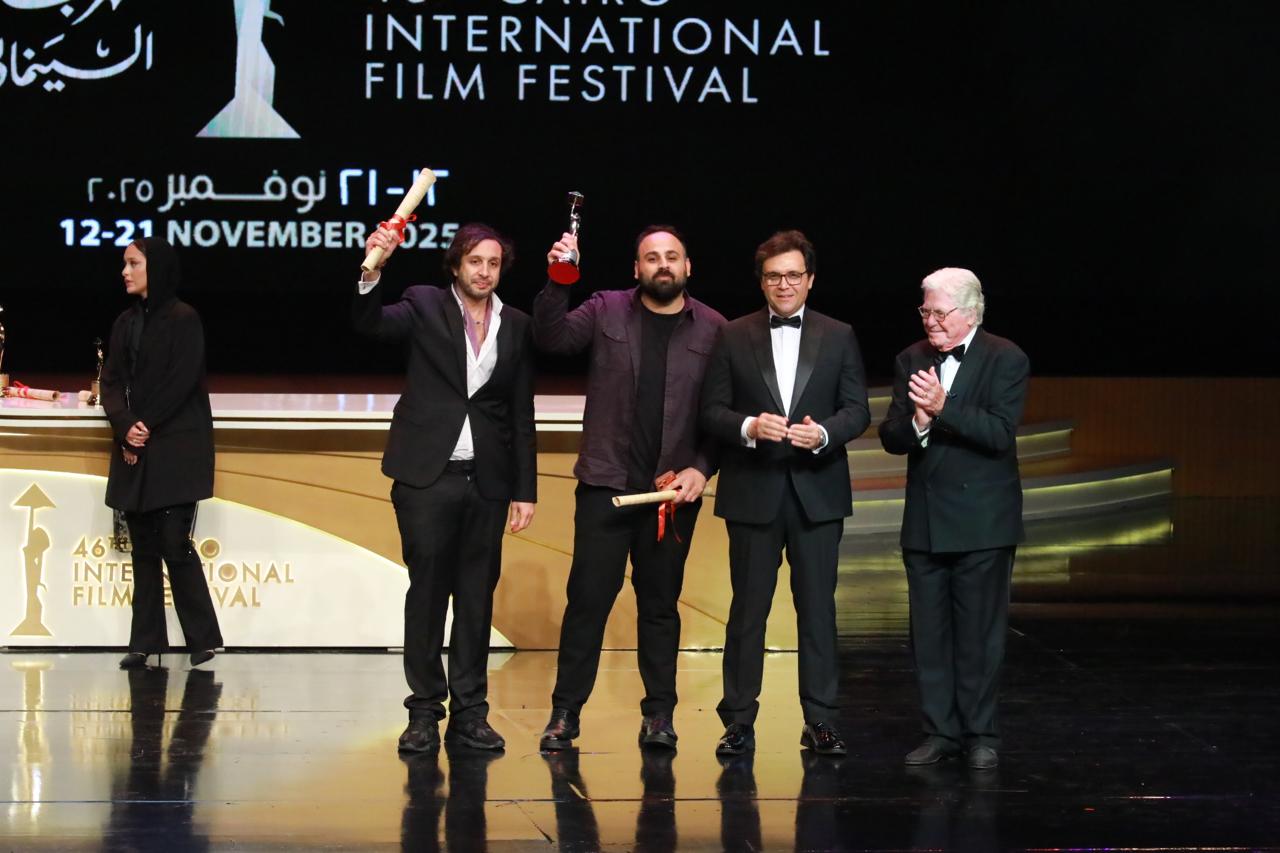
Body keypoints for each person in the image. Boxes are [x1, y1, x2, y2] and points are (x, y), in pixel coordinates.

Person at [534, 225, 726, 751]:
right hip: (606, 485)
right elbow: (551, 339)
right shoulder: (605, 309)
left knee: (660, 606)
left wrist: (702, 468)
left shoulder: (715, 329)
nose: (663, 265)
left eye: (672, 256)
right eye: (651, 257)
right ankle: (565, 714)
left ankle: (659, 716)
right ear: (636, 268)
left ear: (688, 267)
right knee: (587, 602)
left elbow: (722, 412)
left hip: (670, 494)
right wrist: (559, 278)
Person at [355, 222, 537, 754]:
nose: (484, 272)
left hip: (488, 481)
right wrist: (371, 270)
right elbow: (369, 325)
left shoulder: (516, 324)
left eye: (493, 263)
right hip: (427, 476)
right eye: (475, 261)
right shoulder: (424, 304)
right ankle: (423, 712)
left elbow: (520, 412)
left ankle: (471, 713)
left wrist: (525, 489)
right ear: (456, 264)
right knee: (429, 595)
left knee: (476, 599)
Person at [700, 229, 870, 756]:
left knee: (818, 612)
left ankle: (820, 719)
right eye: (774, 276)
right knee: (747, 612)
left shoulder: (839, 334)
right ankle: (738, 720)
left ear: (810, 279)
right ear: (761, 281)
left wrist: (824, 435)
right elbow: (711, 411)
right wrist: (749, 427)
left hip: (818, 494)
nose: (784, 284)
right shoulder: (732, 334)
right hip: (754, 491)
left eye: (794, 275)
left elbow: (857, 410)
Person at [878, 267, 1029, 770]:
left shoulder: (1006, 358)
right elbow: (891, 436)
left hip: (983, 522)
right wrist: (918, 423)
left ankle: (981, 733)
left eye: (940, 313)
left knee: (979, 636)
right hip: (925, 521)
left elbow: (999, 433)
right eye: (925, 311)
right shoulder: (911, 358)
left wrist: (943, 407)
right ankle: (939, 732)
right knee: (929, 635)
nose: (931, 322)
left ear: (970, 312)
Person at [101, 237, 223, 670]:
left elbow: (182, 380)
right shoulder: (125, 323)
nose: (125, 271)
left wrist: (143, 426)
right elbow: (111, 381)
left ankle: (202, 639)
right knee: (142, 548)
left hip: (175, 447)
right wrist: (124, 425)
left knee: (174, 541)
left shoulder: (184, 319)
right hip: (135, 446)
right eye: (125, 264)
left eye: (133, 263)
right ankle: (145, 641)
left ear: (156, 267)